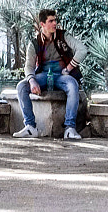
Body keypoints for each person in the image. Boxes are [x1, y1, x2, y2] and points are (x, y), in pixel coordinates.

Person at [14, 9, 85, 141]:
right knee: (21, 87)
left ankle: (70, 128)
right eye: (51, 21)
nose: (55, 23)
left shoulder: (63, 36)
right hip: (43, 74)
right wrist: (32, 81)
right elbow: (28, 66)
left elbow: (82, 50)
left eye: (55, 20)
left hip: (62, 75)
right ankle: (30, 127)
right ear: (42, 24)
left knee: (72, 84)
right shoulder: (35, 43)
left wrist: (69, 68)